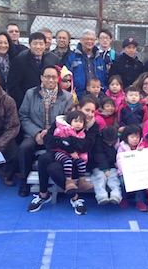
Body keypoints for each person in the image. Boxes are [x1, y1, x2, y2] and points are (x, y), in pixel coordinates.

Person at [28, 97, 101, 215]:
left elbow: (85, 146)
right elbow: (47, 139)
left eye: (93, 111)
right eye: (87, 110)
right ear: (78, 108)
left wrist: (66, 140)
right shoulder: (62, 121)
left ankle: (75, 198)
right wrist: (66, 144)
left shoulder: (93, 127)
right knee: (44, 158)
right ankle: (43, 194)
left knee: (53, 168)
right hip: (59, 153)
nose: (90, 114)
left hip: (77, 161)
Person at [17, 65, 73, 197]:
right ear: (41, 78)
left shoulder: (67, 96)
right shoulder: (31, 93)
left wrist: (50, 133)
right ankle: (24, 181)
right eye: (47, 76)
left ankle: (53, 181)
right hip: (34, 133)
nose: (51, 80)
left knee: (53, 153)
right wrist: (36, 132)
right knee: (24, 148)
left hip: (56, 134)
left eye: (54, 77)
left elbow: (67, 119)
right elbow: (23, 115)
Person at [8, 32, 59, 109]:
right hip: (25, 103)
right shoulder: (19, 61)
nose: (38, 47)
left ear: (45, 45)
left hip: (45, 104)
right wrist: (25, 102)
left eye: (41, 44)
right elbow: (13, 86)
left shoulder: (50, 60)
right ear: (30, 45)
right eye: (35, 44)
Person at [51, 111, 93, 194]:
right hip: (59, 152)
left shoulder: (82, 133)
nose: (78, 124)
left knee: (81, 162)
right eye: (76, 121)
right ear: (70, 121)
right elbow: (60, 143)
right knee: (67, 161)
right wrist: (71, 151)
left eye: (81, 122)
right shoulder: (63, 130)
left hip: (73, 154)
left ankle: (82, 182)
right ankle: (69, 181)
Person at [66, 29, 108, 98]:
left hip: (98, 97)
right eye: (87, 39)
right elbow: (67, 77)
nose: (89, 41)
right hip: (78, 96)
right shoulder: (72, 57)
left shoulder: (100, 59)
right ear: (81, 40)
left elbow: (105, 78)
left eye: (92, 39)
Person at [116, 124, 146, 210]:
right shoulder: (122, 147)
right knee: (122, 182)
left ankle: (140, 201)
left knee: (142, 181)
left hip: (140, 171)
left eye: (137, 137)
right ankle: (123, 198)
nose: (135, 139)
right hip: (125, 172)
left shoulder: (143, 146)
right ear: (126, 137)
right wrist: (126, 171)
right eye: (132, 137)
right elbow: (119, 161)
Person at [91, 126, 122, 204]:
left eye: (112, 141)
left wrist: (117, 163)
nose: (110, 144)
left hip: (113, 166)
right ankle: (101, 195)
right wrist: (105, 169)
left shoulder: (119, 141)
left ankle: (116, 195)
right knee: (99, 177)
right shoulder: (98, 142)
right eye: (107, 141)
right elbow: (99, 155)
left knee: (113, 178)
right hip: (98, 165)